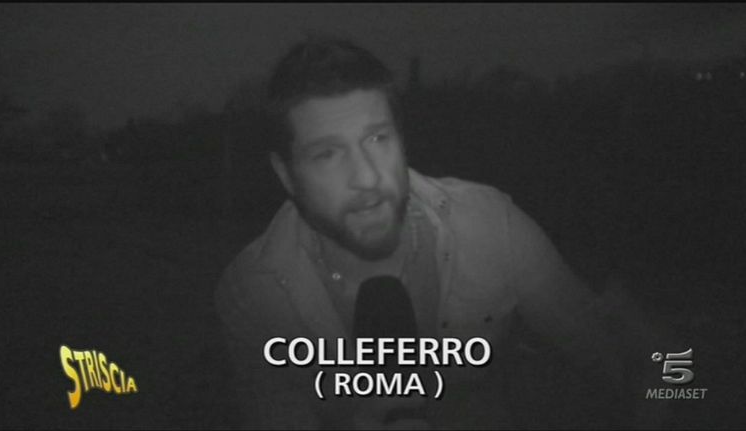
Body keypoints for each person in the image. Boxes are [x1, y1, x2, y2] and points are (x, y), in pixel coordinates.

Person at [215, 37, 673, 430]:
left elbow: (620, 356)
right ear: (286, 175)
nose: (367, 177)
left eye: (377, 139)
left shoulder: (488, 224)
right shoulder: (253, 291)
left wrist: (670, 392)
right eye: (327, 154)